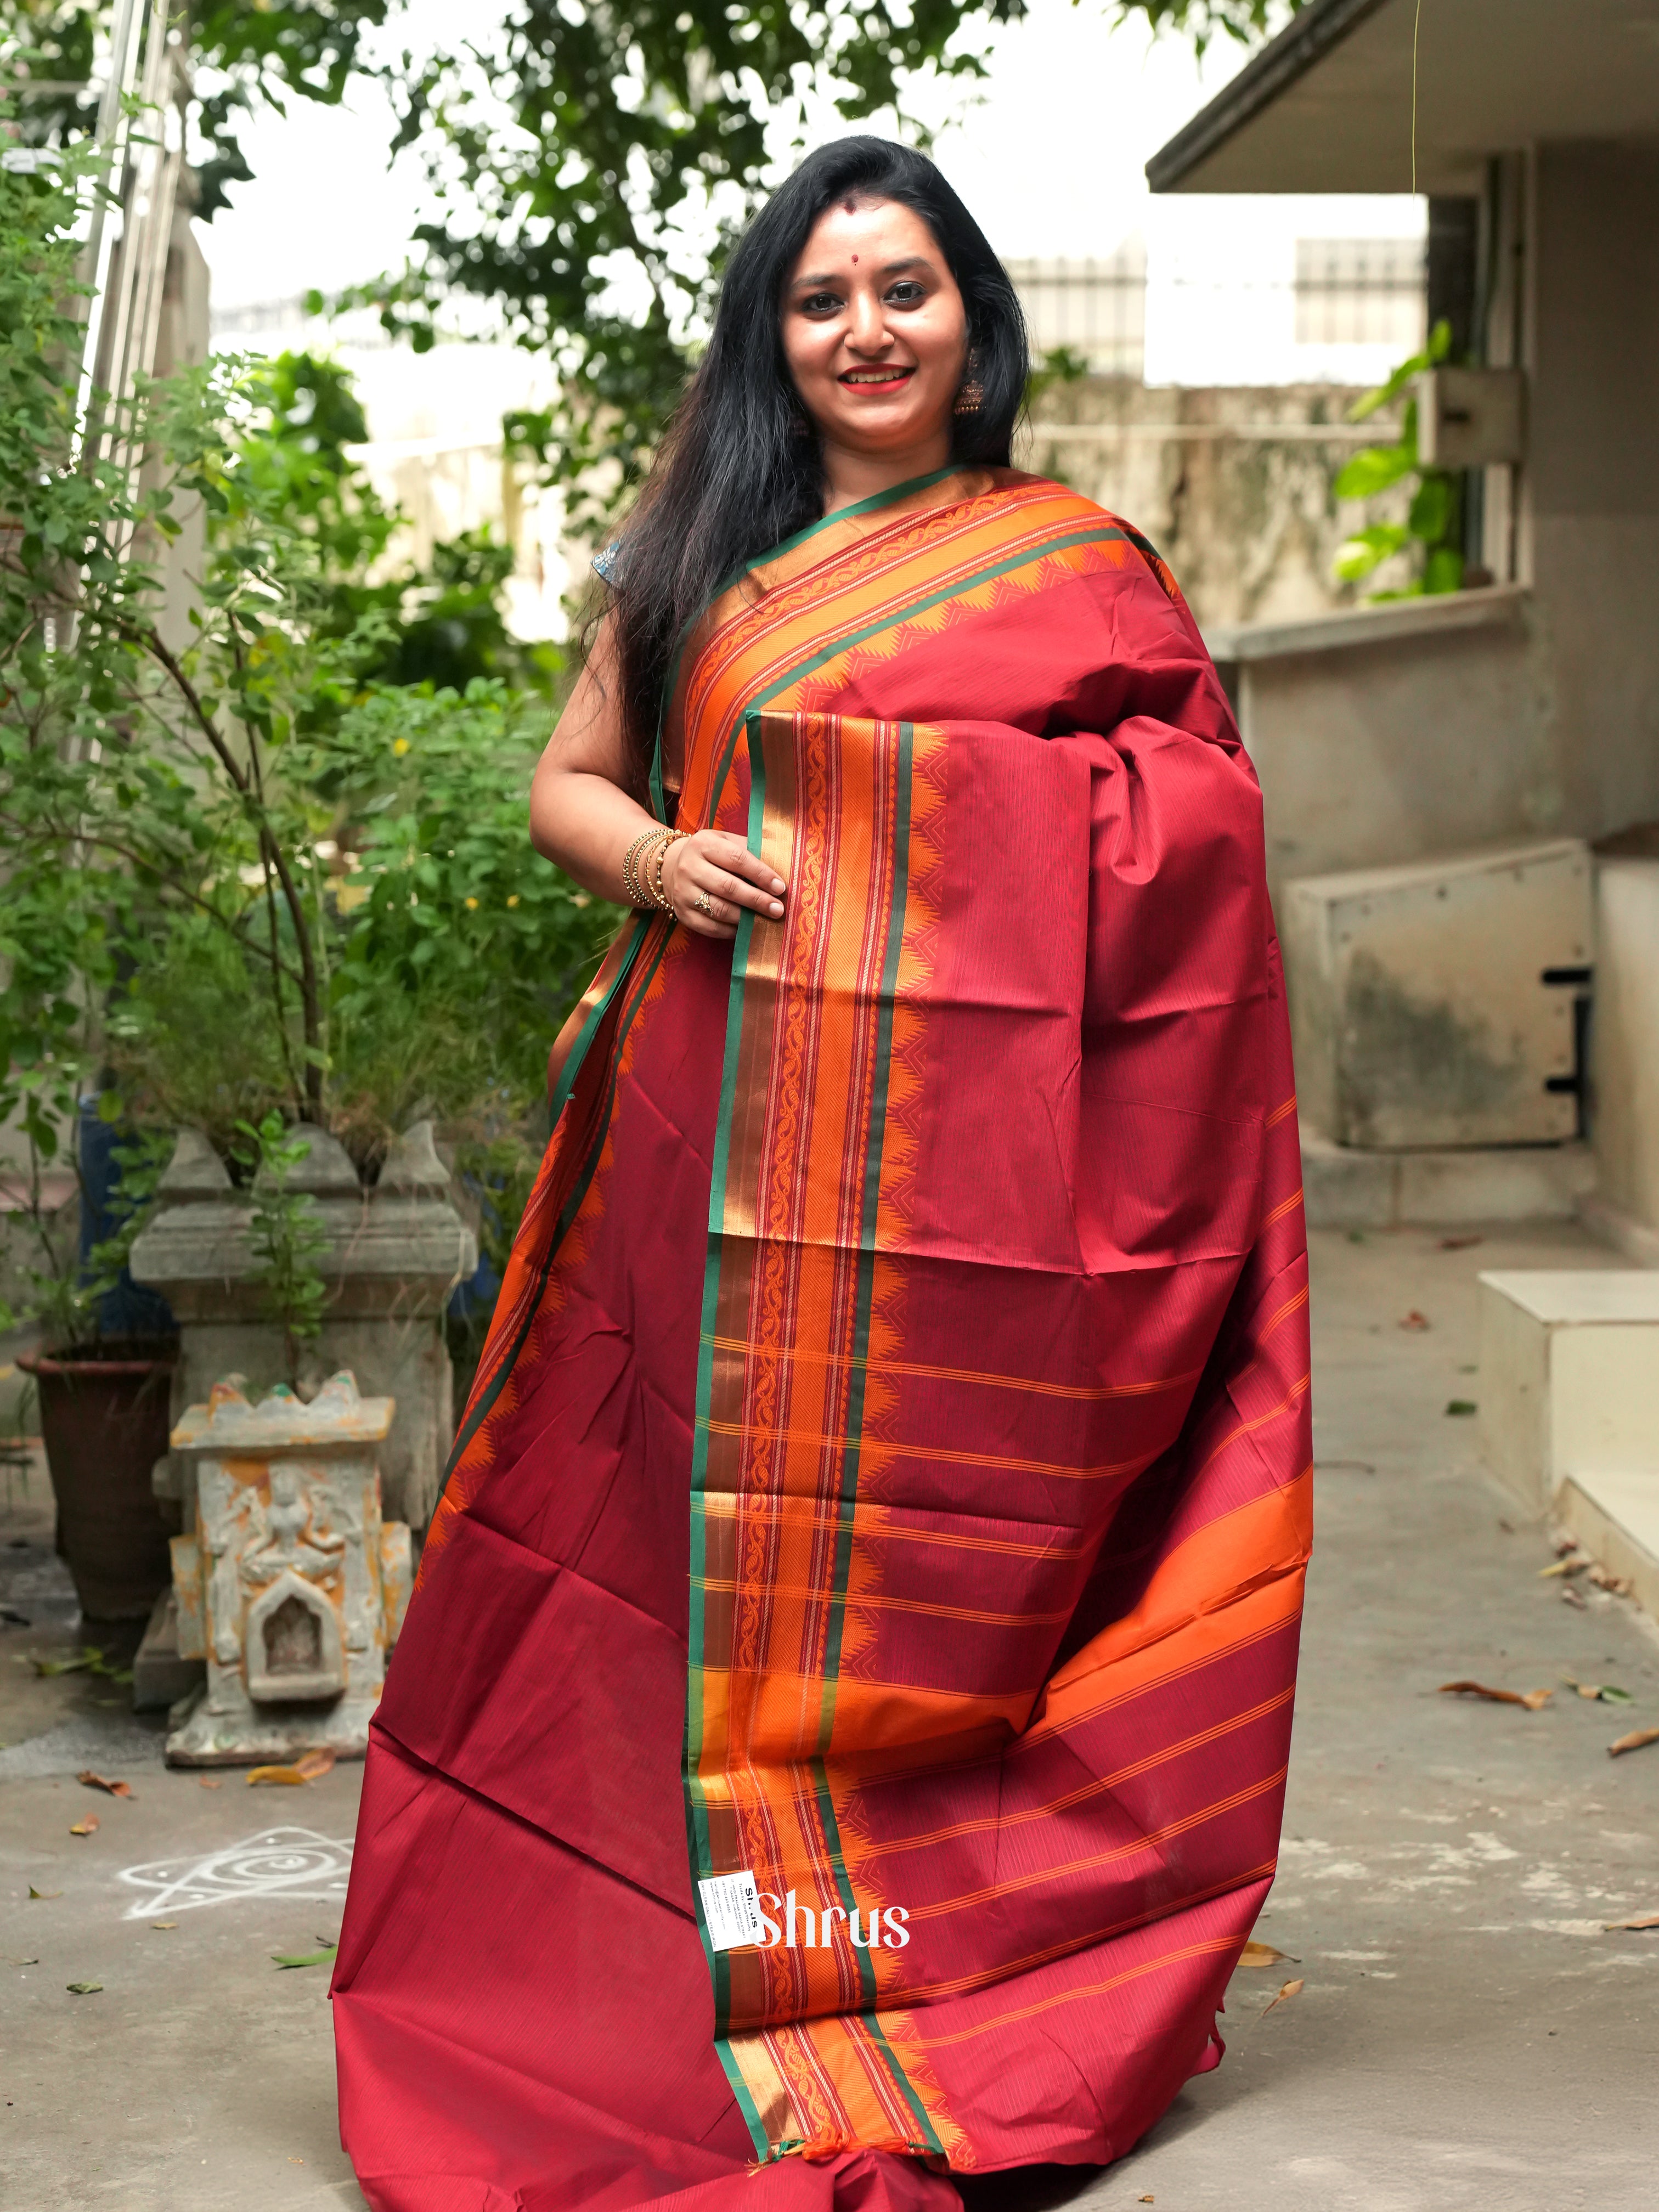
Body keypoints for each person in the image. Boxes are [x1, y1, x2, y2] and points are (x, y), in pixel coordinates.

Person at [332, 136, 1311, 2212]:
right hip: (704, 1156)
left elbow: (1197, 824)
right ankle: (681, 1964)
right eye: (821, 297)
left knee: (918, 1587)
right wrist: (663, 856)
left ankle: (905, 1970)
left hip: (962, 1204)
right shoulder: (706, 553)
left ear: (974, 322)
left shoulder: (1076, 562)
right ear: (775, 340)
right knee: (682, 1566)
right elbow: (566, 785)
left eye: (907, 287)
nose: (868, 328)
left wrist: (975, 819)